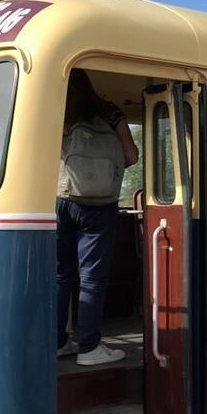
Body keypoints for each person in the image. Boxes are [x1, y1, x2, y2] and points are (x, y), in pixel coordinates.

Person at [56, 70, 139, 366]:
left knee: (60, 275)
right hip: (100, 205)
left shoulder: (54, 107)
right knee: (92, 278)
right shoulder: (111, 111)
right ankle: (89, 347)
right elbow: (131, 155)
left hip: (61, 200)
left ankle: (59, 341)